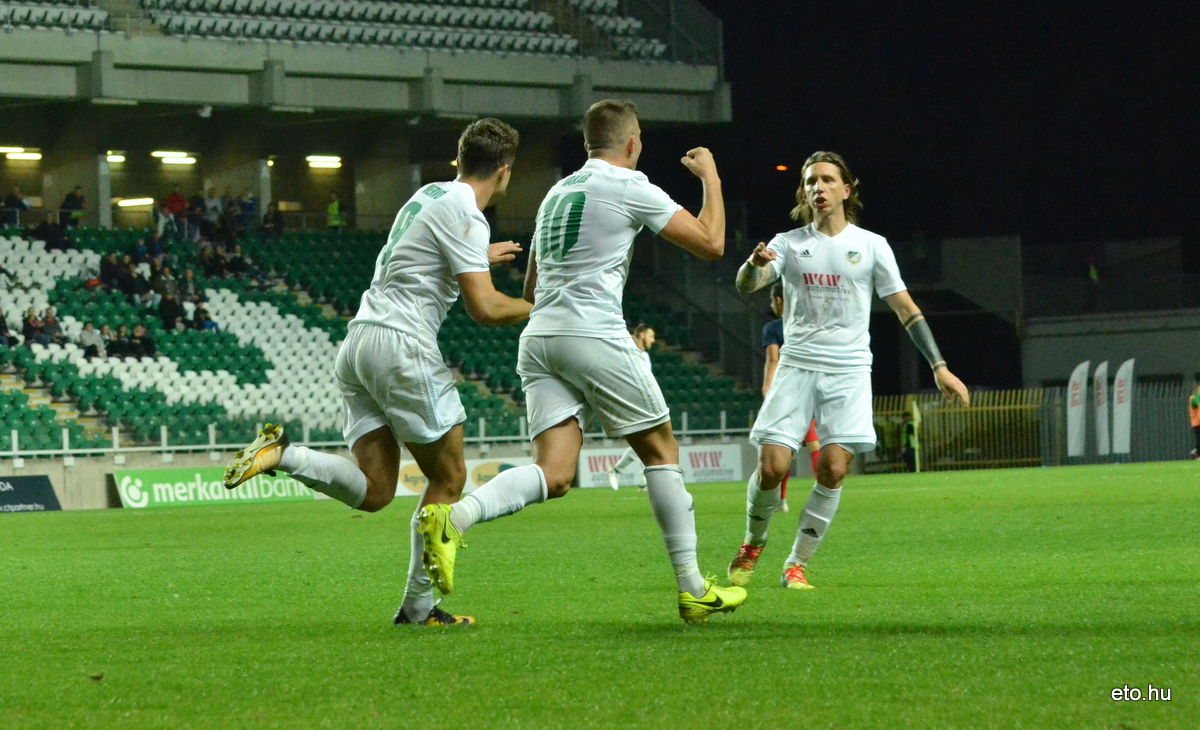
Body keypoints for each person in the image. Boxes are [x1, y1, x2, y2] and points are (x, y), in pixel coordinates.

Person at [416, 99, 746, 624]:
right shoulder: (629, 185)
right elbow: (711, 243)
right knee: (660, 449)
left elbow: (531, 286)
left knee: (555, 472)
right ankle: (692, 588)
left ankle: (455, 517)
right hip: (591, 330)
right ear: (633, 143)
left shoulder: (556, 193)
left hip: (540, 336)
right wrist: (711, 178)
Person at [222, 118, 532, 628]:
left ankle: (283, 453)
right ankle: (418, 609)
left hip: (360, 342)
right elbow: (484, 308)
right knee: (450, 477)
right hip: (402, 346)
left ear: (458, 160)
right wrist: (537, 306)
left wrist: (480, 256)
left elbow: (422, 256)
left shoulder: (429, 195)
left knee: (376, 490)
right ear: (504, 173)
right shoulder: (470, 216)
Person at [726, 151, 970, 590]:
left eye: (826, 179)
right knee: (771, 467)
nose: (818, 187)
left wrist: (940, 365)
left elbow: (906, 311)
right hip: (797, 366)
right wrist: (752, 266)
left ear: (846, 189)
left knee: (834, 469)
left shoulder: (872, 245)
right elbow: (748, 286)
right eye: (810, 181)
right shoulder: (787, 242)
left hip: (849, 370)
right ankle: (752, 542)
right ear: (803, 192)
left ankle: (795, 564)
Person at [760, 281, 821, 513]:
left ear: (778, 301)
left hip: (786, 391)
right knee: (812, 442)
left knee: (786, 446)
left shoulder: (774, 328)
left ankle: (781, 500)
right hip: (810, 386)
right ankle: (819, 493)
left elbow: (773, 360)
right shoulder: (809, 324)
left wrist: (767, 387)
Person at [604, 324, 657, 491]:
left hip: (643, 403)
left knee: (645, 440)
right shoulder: (627, 352)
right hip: (629, 402)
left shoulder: (645, 356)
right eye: (650, 336)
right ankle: (641, 479)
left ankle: (629, 474)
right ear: (641, 335)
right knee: (645, 438)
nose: (653, 340)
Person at [1189, 386, 1200, 459]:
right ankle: (1198, 454)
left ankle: (1196, 451)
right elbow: (1195, 405)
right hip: (1197, 422)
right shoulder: (1194, 398)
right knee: (1199, 438)